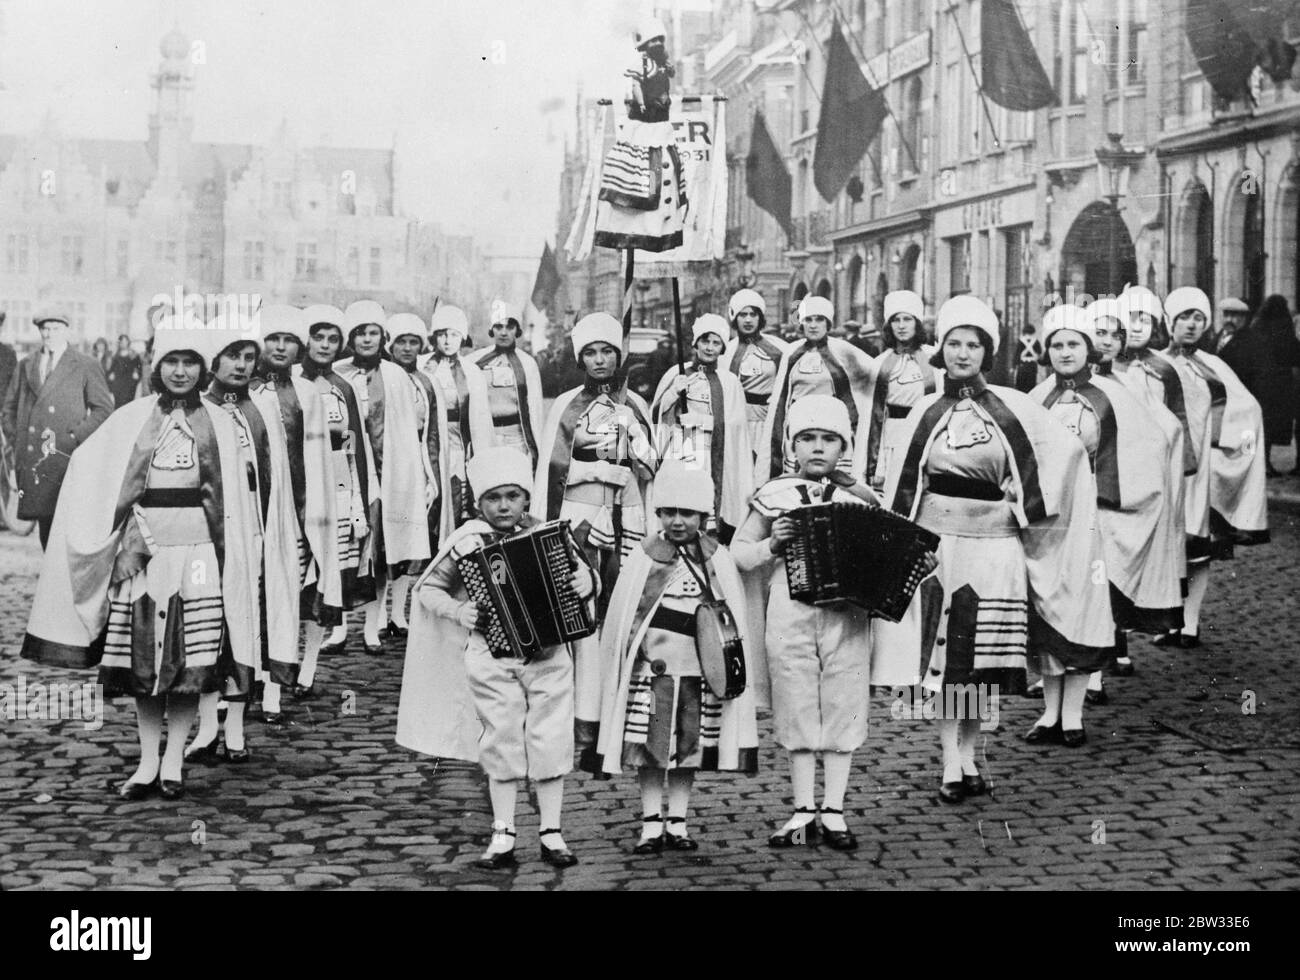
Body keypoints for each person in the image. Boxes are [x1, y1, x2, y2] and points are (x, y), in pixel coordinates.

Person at [20, 315, 263, 800]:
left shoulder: (220, 420)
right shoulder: (131, 418)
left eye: (190, 362)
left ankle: (174, 760)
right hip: (145, 556)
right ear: (157, 365)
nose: (180, 371)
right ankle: (147, 761)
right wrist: (122, 536)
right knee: (144, 667)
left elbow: (239, 500)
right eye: (171, 361)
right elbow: (95, 474)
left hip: (200, 557)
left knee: (191, 665)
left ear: (203, 366)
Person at [882, 296, 1113, 799]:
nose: (963, 354)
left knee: (979, 659)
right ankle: (950, 762)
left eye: (974, 345)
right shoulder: (924, 408)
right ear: (940, 349)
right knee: (943, 662)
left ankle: (969, 756)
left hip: (996, 548)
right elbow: (902, 484)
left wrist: (1025, 496)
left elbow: (1069, 455)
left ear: (988, 352)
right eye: (954, 344)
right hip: (939, 547)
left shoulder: (1015, 406)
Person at [396, 446, 596, 869]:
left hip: (548, 651)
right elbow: (428, 590)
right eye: (493, 498)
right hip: (491, 653)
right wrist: (458, 610)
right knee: (501, 736)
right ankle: (503, 831)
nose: (503, 506)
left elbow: (585, 574)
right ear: (478, 502)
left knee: (550, 735)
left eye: (512, 496)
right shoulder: (468, 540)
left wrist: (586, 581)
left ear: (526, 498)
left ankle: (552, 831)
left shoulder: (548, 534)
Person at [732, 395, 885, 849]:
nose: (817, 448)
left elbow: (890, 550)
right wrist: (770, 546)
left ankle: (834, 810)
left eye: (829, 439)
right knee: (796, 702)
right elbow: (739, 552)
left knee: (843, 701)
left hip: (847, 617)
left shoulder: (861, 499)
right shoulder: (772, 497)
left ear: (845, 446)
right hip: (789, 612)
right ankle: (802, 808)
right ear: (790, 445)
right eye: (807, 439)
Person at [595, 460, 758, 853]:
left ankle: (679, 822)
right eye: (668, 512)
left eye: (687, 513)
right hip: (654, 673)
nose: (677, 521)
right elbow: (626, 617)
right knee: (651, 749)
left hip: (697, 673)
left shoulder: (715, 557)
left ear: (703, 514)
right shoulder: (645, 556)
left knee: (688, 750)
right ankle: (651, 824)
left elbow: (729, 615)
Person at [1029, 304, 1183, 708]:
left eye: (1074, 344)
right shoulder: (1036, 398)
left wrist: (1118, 501)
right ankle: (1050, 708)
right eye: (1057, 345)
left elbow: (1147, 447)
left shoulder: (1114, 395)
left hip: (1098, 515)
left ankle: (1085, 689)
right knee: (1049, 600)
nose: (1065, 353)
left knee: (1094, 601)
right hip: (1050, 518)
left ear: (1088, 349)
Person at [533, 312, 658, 770]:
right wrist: (594, 470)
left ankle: (618, 717)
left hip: (628, 516)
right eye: (592, 353)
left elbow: (654, 466)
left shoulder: (636, 405)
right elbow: (551, 470)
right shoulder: (567, 405)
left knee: (622, 613)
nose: (601, 360)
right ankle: (582, 721)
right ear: (581, 357)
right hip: (581, 518)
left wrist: (635, 433)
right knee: (583, 615)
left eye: (608, 351)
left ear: (619, 356)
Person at [187, 315, 300, 764]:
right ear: (214, 360)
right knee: (209, 629)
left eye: (249, 356)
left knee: (246, 627)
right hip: (210, 538)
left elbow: (275, 480)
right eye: (233, 356)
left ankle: (235, 728)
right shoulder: (198, 410)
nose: (241, 364)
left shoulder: (258, 409)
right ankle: (205, 725)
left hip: (253, 534)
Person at [1159, 287, 1269, 646]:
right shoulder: (1155, 363)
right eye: (1183, 317)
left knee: (1198, 548)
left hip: (1200, 474)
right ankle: (1171, 622)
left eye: (1198, 319)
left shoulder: (1214, 366)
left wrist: (1226, 448)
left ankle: (1190, 623)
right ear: (1169, 321)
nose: (1190, 325)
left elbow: (1247, 409)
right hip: (1163, 473)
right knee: (1166, 550)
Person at [249, 304, 343, 726]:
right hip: (254, 511)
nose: (282, 348)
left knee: (290, 594)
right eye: (274, 340)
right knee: (251, 595)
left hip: (297, 511)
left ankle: (275, 686)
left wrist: (331, 508)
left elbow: (328, 457)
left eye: (289, 341)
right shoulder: (244, 393)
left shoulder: (309, 394)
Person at [1089, 297, 1187, 680]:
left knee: (1108, 571)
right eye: (1100, 332)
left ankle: (1110, 651)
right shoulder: (1061, 383)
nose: (1109, 341)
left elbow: (1163, 430)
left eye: (1117, 334)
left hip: (1113, 492)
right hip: (1072, 493)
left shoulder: (1131, 383)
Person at [334, 300, 433, 655]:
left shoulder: (395, 377)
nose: (365, 339)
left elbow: (408, 433)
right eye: (359, 333)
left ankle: (373, 625)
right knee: (341, 547)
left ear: (382, 337)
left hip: (385, 471)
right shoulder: (337, 373)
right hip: (344, 471)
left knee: (378, 547)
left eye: (372, 332)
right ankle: (338, 625)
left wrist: (409, 477)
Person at [293, 305, 373, 693]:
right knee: (283, 581)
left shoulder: (342, 387)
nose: (324, 345)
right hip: (293, 496)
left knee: (322, 582)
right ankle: (272, 665)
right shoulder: (287, 382)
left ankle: (308, 666)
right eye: (317, 337)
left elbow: (351, 444)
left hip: (335, 496)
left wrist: (355, 500)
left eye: (332, 339)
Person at [1, 309, 113, 548]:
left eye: (55, 329)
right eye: (45, 329)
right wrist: (16, 437)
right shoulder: (26, 364)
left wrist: (75, 437)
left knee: (68, 525)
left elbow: (103, 409)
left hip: (66, 456)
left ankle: (65, 582)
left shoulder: (84, 364)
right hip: (35, 458)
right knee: (45, 527)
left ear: (66, 330)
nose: (49, 334)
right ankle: (53, 581)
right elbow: (9, 407)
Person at [650, 313, 753, 542]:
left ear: (722, 348)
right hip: (682, 450)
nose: (709, 348)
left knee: (708, 506)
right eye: (705, 341)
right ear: (695, 343)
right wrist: (672, 394)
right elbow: (656, 416)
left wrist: (704, 422)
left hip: (714, 453)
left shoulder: (729, 381)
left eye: (716, 343)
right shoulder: (676, 374)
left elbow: (735, 427)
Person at [756, 295, 876, 485]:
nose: (813, 325)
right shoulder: (791, 352)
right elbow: (782, 397)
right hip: (799, 428)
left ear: (828, 324)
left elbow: (876, 374)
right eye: (808, 320)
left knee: (832, 484)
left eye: (819, 319)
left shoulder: (843, 351)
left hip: (830, 428)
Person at [593, 19, 687, 253]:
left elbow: (669, 79)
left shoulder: (663, 64)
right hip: (645, 123)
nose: (656, 44)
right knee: (639, 173)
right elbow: (636, 86)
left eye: (659, 40)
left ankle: (662, 225)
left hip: (661, 122)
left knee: (668, 168)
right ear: (645, 44)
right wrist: (643, 104)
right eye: (652, 40)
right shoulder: (643, 64)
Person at [387, 311, 442, 628]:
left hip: (415, 466)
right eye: (401, 342)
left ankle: (397, 612)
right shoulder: (379, 377)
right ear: (391, 345)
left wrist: (430, 474)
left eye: (413, 343)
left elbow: (432, 431)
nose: (407, 349)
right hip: (386, 466)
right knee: (383, 542)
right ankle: (377, 612)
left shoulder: (426, 382)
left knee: (409, 538)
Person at [418, 305, 492, 531]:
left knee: (457, 500)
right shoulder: (423, 366)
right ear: (434, 337)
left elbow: (480, 418)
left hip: (459, 446)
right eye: (442, 334)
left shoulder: (472, 372)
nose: (448, 341)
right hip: (428, 445)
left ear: (463, 337)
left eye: (454, 334)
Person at [864, 290, 941, 491]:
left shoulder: (935, 359)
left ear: (917, 322)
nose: (901, 325)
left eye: (907, 319)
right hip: (892, 436)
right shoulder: (880, 363)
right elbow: (872, 414)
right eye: (896, 320)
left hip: (926, 433)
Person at [1220, 294, 1300, 475]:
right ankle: (1265, 464)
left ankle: (1251, 461)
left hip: (1255, 386)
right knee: (1268, 429)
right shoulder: (1285, 329)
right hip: (1278, 387)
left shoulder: (1256, 328)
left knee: (1250, 427)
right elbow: (1295, 357)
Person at [467, 300, 545, 467]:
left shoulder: (527, 363)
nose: (503, 332)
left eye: (509, 327)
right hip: (485, 437)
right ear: (491, 330)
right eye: (498, 327)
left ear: (517, 330)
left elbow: (535, 409)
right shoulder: (474, 361)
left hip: (517, 439)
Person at [723, 288, 790, 454]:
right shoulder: (726, 351)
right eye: (743, 314)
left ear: (760, 318)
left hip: (771, 421)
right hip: (739, 421)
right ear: (734, 317)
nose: (748, 320)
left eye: (753, 314)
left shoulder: (779, 348)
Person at [106, 334, 144, 408]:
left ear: (128, 342)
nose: (123, 343)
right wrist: (111, 374)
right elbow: (111, 368)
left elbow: (138, 366)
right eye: (121, 341)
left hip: (129, 383)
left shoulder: (133, 354)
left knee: (128, 403)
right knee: (118, 404)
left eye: (125, 341)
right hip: (118, 384)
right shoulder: (115, 355)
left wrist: (136, 373)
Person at [1014, 324, 1043, 393]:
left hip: (1023, 365)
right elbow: (1039, 352)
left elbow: (1017, 354)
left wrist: (1015, 365)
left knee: (1021, 386)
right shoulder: (1036, 341)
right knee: (1031, 385)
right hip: (1032, 365)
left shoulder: (1021, 341)